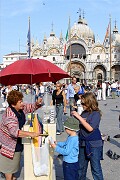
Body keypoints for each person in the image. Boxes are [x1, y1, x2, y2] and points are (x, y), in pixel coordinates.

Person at [0, 90, 43, 180]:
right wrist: (31, 134)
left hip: (17, 143)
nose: (22, 103)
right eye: (20, 102)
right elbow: (14, 132)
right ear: (13, 104)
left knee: (14, 166)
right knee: (9, 168)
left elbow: (29, 107)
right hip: (9, 145)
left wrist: (37, 103)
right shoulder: (10, 115)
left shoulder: (19, 108)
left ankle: (13, 177)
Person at [72, 92, 104, 180]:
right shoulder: (84, 112)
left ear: (89, 103)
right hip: (83, 143)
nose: (81, 105)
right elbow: (82, 123)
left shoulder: (96, 114)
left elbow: (90, 128)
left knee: (96, 168)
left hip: (94, 144)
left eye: (83, 103)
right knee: (81, 168)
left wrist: (79, 118)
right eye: (81, 103)